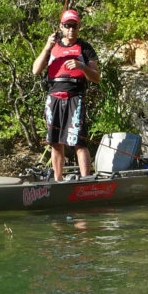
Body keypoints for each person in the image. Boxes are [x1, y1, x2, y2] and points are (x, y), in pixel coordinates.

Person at [32, 9, 101, 181]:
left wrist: (81, 66)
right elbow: (35, 70)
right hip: (54, 96)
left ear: (79, 27)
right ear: (61, 26)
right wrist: (47, 47)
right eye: (67, 25)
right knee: (55, 142)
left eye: (74, 26)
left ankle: (85, 180)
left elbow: (97, 77)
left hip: (75, 96)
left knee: (79, 141)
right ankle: (58, 180)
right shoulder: (52, 44)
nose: (71, 29)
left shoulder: (85, 48)